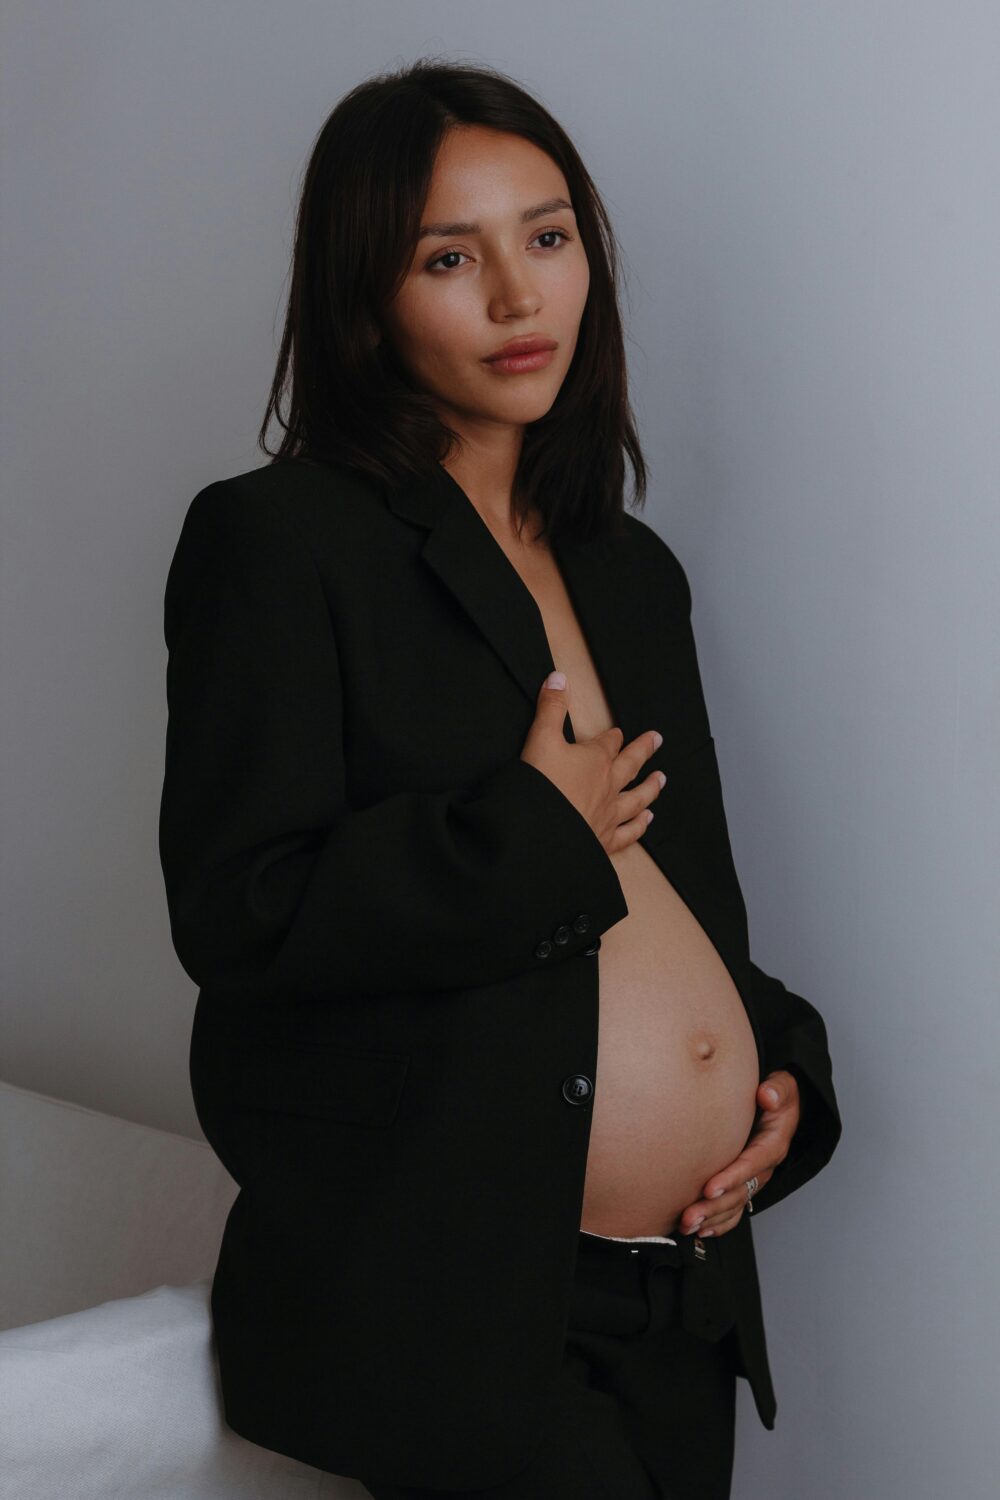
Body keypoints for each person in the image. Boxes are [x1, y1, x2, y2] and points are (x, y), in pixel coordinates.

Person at [158, 58, 842, 1500]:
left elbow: (678, 904)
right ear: (362, 295)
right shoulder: (280, 542)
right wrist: (527, 829)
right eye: (448, 257)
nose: (520, 298)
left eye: (547, 236)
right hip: (459, 1309)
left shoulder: (627, 571)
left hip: (683, 1299)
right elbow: (242, 912)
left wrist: (779, 1076)